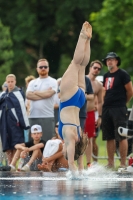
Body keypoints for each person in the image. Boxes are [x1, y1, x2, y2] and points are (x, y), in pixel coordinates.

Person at [58, 21, 92, 176]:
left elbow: (77, 152)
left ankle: (88, 41)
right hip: (70, 99)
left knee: (82, 66)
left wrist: (80, 168)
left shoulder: (79, 137)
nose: (62, 149)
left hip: (80, 100)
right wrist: (71, 166)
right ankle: (83, 36)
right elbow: (71, 152)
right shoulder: (70, 138)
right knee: (75, 63)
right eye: (64, 151)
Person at [101, 52, 133, 169]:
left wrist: (123, 103)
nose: (109, 61)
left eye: (112, 59)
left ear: (116, 61)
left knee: (121, 135)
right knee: (109, 136)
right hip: (107, 108)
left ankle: (123, 163)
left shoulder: (123, 74)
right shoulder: (105, 76)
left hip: (119, 108)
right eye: (108, 60)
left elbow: (130, 91)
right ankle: (110, 163)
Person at [0, 74, 30, 165]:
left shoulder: (19, 93)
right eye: (8, 82)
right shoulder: (3, 95)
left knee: (16, 143)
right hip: (5, 122)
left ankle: (13, 164)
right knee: (7, 144)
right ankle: (9, 163)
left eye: (12, 82)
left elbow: (21, 109)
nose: (10, 84)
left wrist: (25, 124)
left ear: (15, 82)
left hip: (15, 123)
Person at [26, 59, 57, 142]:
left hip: (47, 116)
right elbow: (28, 95)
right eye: (41, 67)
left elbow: (49, 94)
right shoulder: (32, 82)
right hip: (33, 116)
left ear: (48, 68)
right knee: (32, 142)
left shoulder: (53, 81)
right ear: (37, 69)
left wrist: (35, 92)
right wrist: (44, 94)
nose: (43, 68)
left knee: (48, 142)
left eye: (45, 67)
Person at [84, 60, 103, 167]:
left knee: (90, 139)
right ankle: (75, 162)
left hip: (90, 113)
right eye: (95, 67)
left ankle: (88, 163)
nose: (96, 70)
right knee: (77, 138)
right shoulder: (81, 79)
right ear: (90, 67)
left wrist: (99, 116)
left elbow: (100, 102)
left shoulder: (98, 85)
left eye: (99, 69)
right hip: (78, 112)